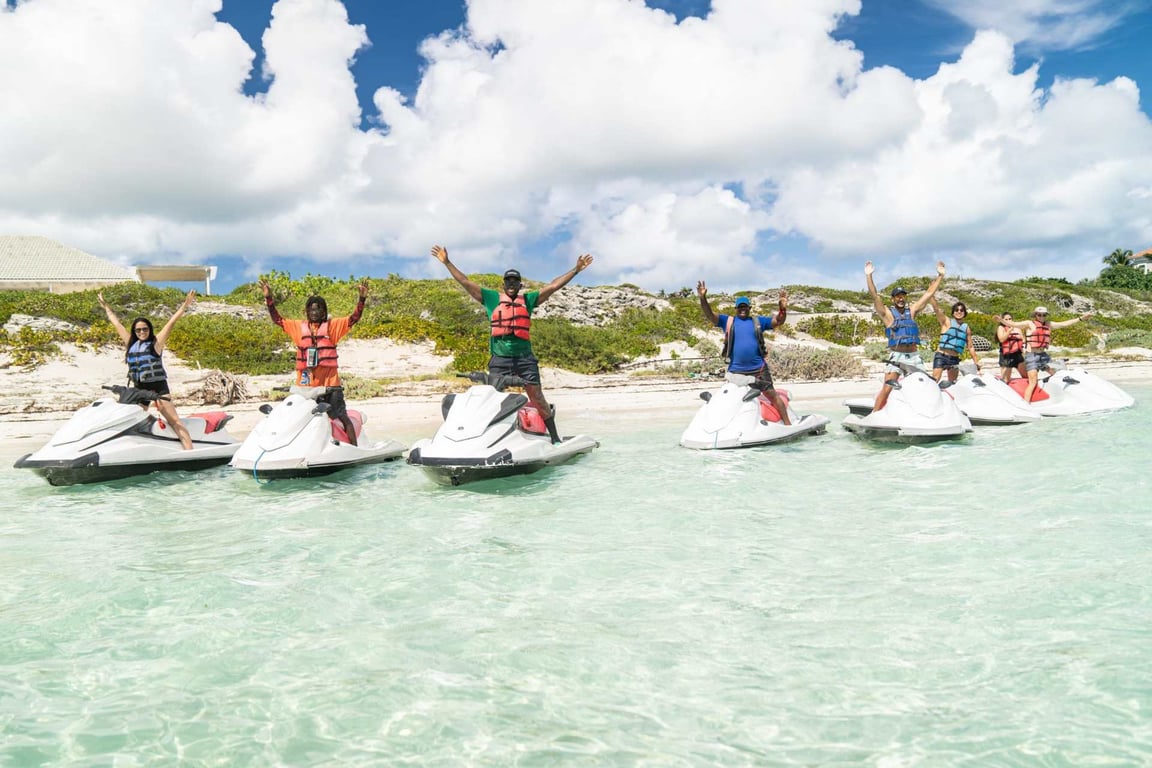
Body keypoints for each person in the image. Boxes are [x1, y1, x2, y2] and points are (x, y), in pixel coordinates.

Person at [431, 244, 593, 444]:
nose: (511, 284)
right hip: (500, 360)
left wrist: (576, 270)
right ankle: (482, 439)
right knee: (489, 400)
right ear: (503, 284)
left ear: (520, 285)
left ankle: (555, 439)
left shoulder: (529, 299)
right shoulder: (491, 298)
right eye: (508, 280)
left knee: (538, 398)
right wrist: (447, 262)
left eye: (515, 281)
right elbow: (465, 281)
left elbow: (553, 286)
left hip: (525, 359)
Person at [259, 278, 368, 446]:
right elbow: (277, 320)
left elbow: (354, 318)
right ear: (307, 312)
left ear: (324, 312)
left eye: (318, 309)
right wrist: (269, 298)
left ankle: (355, 449)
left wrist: (362, 299)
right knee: (299, 417)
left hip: (331, 386)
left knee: (341, 416)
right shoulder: (298, 327)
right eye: (311, 309)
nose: (314, 312)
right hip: (306, 388)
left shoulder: (333, 327)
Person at [97, 289, 197, 450]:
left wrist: (186, 304)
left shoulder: (156, 344)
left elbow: (171, 322)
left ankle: (190, 452)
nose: (142, 332)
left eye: (145, 329)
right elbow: (116, 323)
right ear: (134, 332)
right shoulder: (131, 343)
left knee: (174, 421)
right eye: (138, 330)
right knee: (129, 419)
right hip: (139, 388)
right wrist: (106, 307)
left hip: (158, 387)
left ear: (149, 329)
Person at [696, 282, 791, 425]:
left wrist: (782, 309)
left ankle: (788, 424)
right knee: (730, 400)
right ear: (736, 309)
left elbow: (778, 321)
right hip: (736, 371)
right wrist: (703, 298)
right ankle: (724, 427)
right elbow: (709, 315)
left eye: (745, 307)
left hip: (759, 370)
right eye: (740, 307)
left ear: (749, 308)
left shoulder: (758, 321)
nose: (742, 309)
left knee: (772, 395)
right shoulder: (727, 321)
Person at [865, 260, 946, 411]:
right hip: (897, 357)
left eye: (903, 296)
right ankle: (874, 414)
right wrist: (869, 276)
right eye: (897, 296)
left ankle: (925, 413)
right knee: (887, 388)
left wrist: (940, 276)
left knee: (926, 386)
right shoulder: (887, 314)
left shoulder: (912, 311)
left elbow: (929, 294)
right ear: (893, 299)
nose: (901, 299)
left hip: (914, 356)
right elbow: (875, 296)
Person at [997, 306, 1093, 403]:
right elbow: (1014, 324)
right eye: (1039, 314)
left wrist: (1081, 318)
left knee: (1057, 374)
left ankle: (1057, 395)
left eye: (1044, 315)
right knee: (1033, 382)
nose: (1041, 317)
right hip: (1032, 357)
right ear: (1035, 315)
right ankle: (1025, 405)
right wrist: (1001, 320)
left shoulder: (1048, 324)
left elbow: (1064, 324)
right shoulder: (1029, 324)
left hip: (1044, 356)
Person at [927, 296, 981, 383]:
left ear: (964, 313)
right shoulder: (946, 322)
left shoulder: (966, 328)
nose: (959, 311)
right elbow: (936, 309)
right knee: (935, 380)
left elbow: (970, 347)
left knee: (953, 383)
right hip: (941, 356)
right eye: (956, 310)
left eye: (961, 310)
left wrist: (976, 362)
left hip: (954, 359)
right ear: (953, 312)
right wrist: (931, 294)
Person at [996, 311, 1027, 383]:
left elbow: (1023, 340)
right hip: (1006, 356)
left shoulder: (1017, 328)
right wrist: (1009, 331)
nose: (1008, 321)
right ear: (1002, 320)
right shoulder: (1001, 328)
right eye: (1006, 319)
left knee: (1026, 376)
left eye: (1010, 319)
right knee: (1006, 380)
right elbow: (1001, 339)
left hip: (1018, 355)